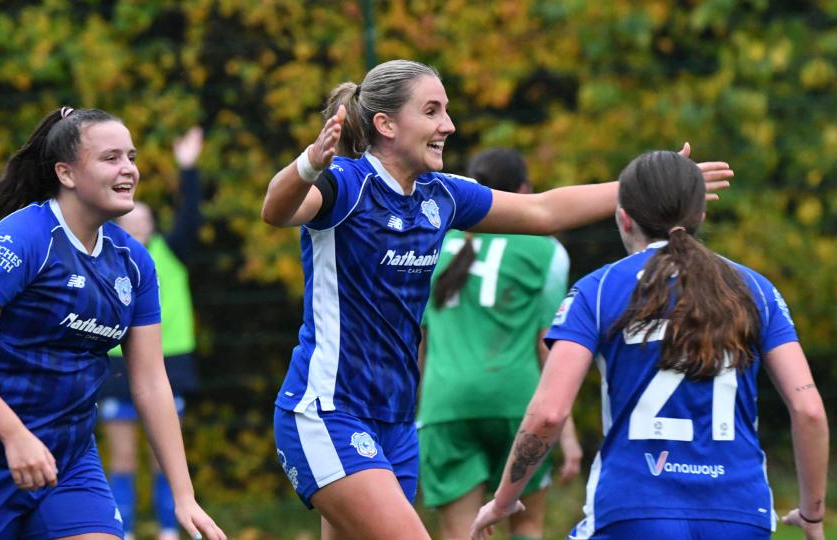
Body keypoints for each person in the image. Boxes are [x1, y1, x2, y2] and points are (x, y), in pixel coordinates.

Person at [260, 59, 733, 540]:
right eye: (432, 111)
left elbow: (544, 209)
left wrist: (649, 188)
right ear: (386, 124)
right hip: (329, 412)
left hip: (396, 422)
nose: (449, 124)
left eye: (446, 110)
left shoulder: (440, 195)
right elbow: (277, 210)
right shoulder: (345, 185)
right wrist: (308, 166)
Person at [470, 151, 829, 540]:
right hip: (740, 512)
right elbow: (808, 410)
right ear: (700, 216)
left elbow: (549, 414)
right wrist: (812, 515)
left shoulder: (599, 288)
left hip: (633, 509)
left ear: (623, 218)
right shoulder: (756, 289)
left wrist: (504, 500)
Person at [0, 107, 225, 540]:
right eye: (111, 158)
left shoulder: (134, 262)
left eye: (132, 156)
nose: (128, 169)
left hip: (68, 462)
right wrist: (14, 435)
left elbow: (150, 382)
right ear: (66, 174)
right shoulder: (25, 238)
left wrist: (184, 496)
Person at [417, 148, 582, 540]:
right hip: (517, 403)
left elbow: (419, 341)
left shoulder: (434, 242)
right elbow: (550, 344)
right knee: (527, 526)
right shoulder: (546, 250)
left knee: (462, 535)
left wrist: (419, 409)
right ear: (523, 191)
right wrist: (568, 432)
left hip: (446, 404)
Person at [99, 126, 204, 540]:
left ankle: (167, 530)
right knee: (122, 458)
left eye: (146, 218)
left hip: (169, 362)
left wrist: (188, 168)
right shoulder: (106, 253)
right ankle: (119, 531)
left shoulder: (170, 251)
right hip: (114, 365)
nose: (138, 222)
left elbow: (192, 214)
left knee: (165, 458)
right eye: (131, 218)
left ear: (154, 225)